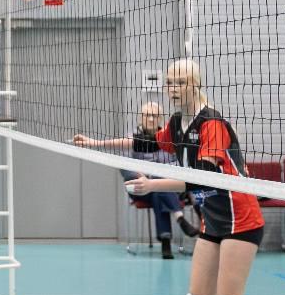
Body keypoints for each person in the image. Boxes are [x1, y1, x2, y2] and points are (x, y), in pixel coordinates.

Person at [101, 59, 267, 295]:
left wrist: (152, 185)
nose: (172, 88)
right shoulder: (177, 123)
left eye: (179, 82)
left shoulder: (213, 124)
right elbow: (144, 140)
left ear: (195, 84)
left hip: (240, 218)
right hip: (213, 220)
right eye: (168, 82)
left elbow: (202, 176)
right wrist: (96, 143)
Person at [73, 101, 199, 259]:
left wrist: (155, 178)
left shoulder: (168, 137)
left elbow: (178, 162)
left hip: (163, 186)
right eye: (147, 115)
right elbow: (125, 167)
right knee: (156, 184)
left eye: (155, 116)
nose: (151, 119)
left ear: (160, 118)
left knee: (157, 189)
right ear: (140, 117)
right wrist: (147, 177)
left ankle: (166, 240)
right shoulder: (131, 138)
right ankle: (179, 219)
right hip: (139, 189)